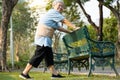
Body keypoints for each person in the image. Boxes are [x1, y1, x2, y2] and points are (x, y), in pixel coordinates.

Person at [19, 0, 78, 79]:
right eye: (59, 5)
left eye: (62, 6)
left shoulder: (54, 15)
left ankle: (55, 74)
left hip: (46, 39)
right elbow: (64, 20)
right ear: (54, 5)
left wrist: (69, 32)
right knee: (38, 56)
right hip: (43, 38)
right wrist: (74, 27)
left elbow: (59, 27)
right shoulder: (53, 12)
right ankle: (24, 73)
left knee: (49, 57)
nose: (60, 7)